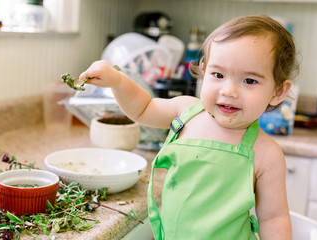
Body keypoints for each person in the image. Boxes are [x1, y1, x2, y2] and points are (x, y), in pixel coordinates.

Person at [79, 15, 298, 240]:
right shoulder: (187, 112)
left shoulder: (266, 154)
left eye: (249, 81)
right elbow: (143, 108)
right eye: (218, 75)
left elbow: (274, 219)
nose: (229, 91)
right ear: (204, 70)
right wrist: (118, 81)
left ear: (277, 92)